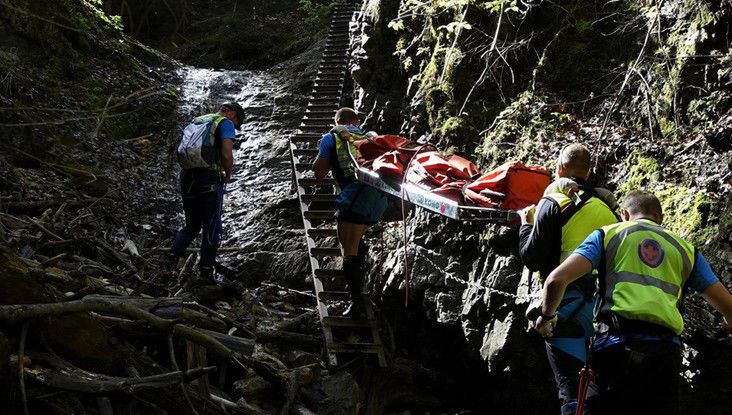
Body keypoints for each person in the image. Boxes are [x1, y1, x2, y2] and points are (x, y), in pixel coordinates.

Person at [535, 190, 732, 414]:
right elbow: (728, 307)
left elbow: (556, 280)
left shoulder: (608, 234)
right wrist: (727, 324)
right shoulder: (686, 250)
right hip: (664, 357)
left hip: (616, 349)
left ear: (624, 214)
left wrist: (547, 317)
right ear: (661, 218)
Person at [518, 143, 619, 415]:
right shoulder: (610, 212)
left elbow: (532, 257)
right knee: (598, 394)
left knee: (572, 392)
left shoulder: (553, 203)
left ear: (559, 169)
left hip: (564, 306)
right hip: (604, 314)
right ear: (588, 173)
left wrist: (526, 225)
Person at [312, 108, 387, 316]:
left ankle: (357, 303)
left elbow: (319, 172)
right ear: (357, 121)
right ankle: (362, 294)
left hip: (356, 193)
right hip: (380, 197)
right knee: (356, 241)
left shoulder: (332, 137)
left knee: (348, 248)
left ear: (337, 121)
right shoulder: (371, 137)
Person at [166, 102, 245, 284]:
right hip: (208, 177)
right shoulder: (224, 123)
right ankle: (206, 273)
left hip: (187, 177)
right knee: (212, 226)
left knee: (192, 226)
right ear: (231, 113)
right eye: (236, 123)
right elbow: (226, 153)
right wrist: (228, 173)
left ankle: (168, 261)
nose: (234, 127)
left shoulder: (198, 120)